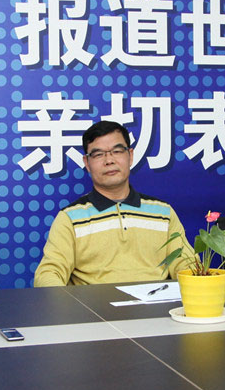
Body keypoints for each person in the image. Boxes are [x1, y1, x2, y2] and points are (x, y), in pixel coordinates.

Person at [34, 120, 196, 287]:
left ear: (130, 155)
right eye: (98, 154)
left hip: (157, 302)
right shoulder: (70, 218)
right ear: (87, 163)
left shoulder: (163, 213)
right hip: (94, 304)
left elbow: (186, 263)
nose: (109, 160)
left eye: (117, 151)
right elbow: (48, 273)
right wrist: (67, 302)